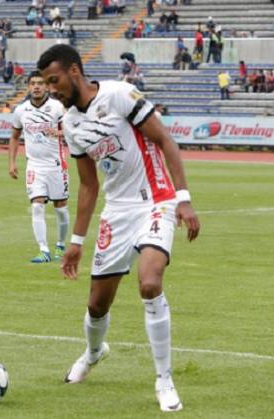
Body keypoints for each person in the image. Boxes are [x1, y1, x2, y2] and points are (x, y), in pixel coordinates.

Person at [38, 44, 200, 413]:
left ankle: (164, 379)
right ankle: (94, 353)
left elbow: (164, 140)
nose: (52, 90)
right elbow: (89, 185)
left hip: (156, 200)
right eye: (47, 84)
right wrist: (76, 241)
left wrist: (183, 198)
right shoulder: (70, 124)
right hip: (117, 212)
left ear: (74, 71)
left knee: (149, 283)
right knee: (97, 305)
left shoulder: (119, 95)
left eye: (55, 80)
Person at [9, 71, 69, 263]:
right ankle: (43, 249)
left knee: (60, 208)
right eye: (33, 83)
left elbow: (73, 129)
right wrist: (12, 162)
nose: (36, 86)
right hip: (34, 166)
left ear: (47, 87)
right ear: (28, 86)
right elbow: (14, 136)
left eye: (40, 83)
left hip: (56, 165)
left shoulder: (57, 107)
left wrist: (58, 133)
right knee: (37, 206)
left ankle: (60, 244)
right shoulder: (21, 110)